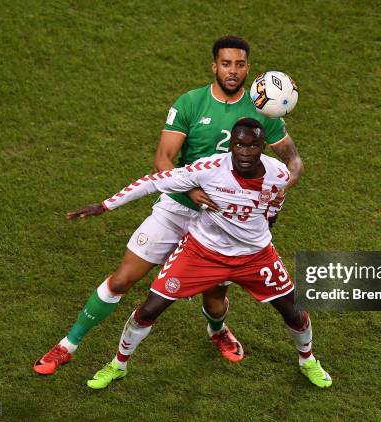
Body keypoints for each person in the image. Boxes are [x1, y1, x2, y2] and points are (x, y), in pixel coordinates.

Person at [34, 35, 304, 375]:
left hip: (222, 223)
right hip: (178, 207)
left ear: (248, 67)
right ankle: (67, 346)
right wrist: (190, 191)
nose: (232, 71)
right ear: (214, 66)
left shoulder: (263, 109)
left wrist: (283, 188)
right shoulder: (191, 103)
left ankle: (217, 331)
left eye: (239, 64)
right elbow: (163, 158)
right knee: (122, 279)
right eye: (225, 64)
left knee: (214, 296)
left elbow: (293, 162)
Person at [68, 118, 331, 389]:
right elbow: (154, 182)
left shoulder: (279, 174)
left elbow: (274, 205)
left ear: (262, 147)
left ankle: (307, 360)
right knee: (148, 310)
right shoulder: (210, 169)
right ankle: (118, 365)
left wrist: (268, 218)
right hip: (202, 252)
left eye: (252, 146)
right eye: (239, 145)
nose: (245, 152)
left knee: (295, 313)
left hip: (255, 255)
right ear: (231, 145)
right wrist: (104, 206)